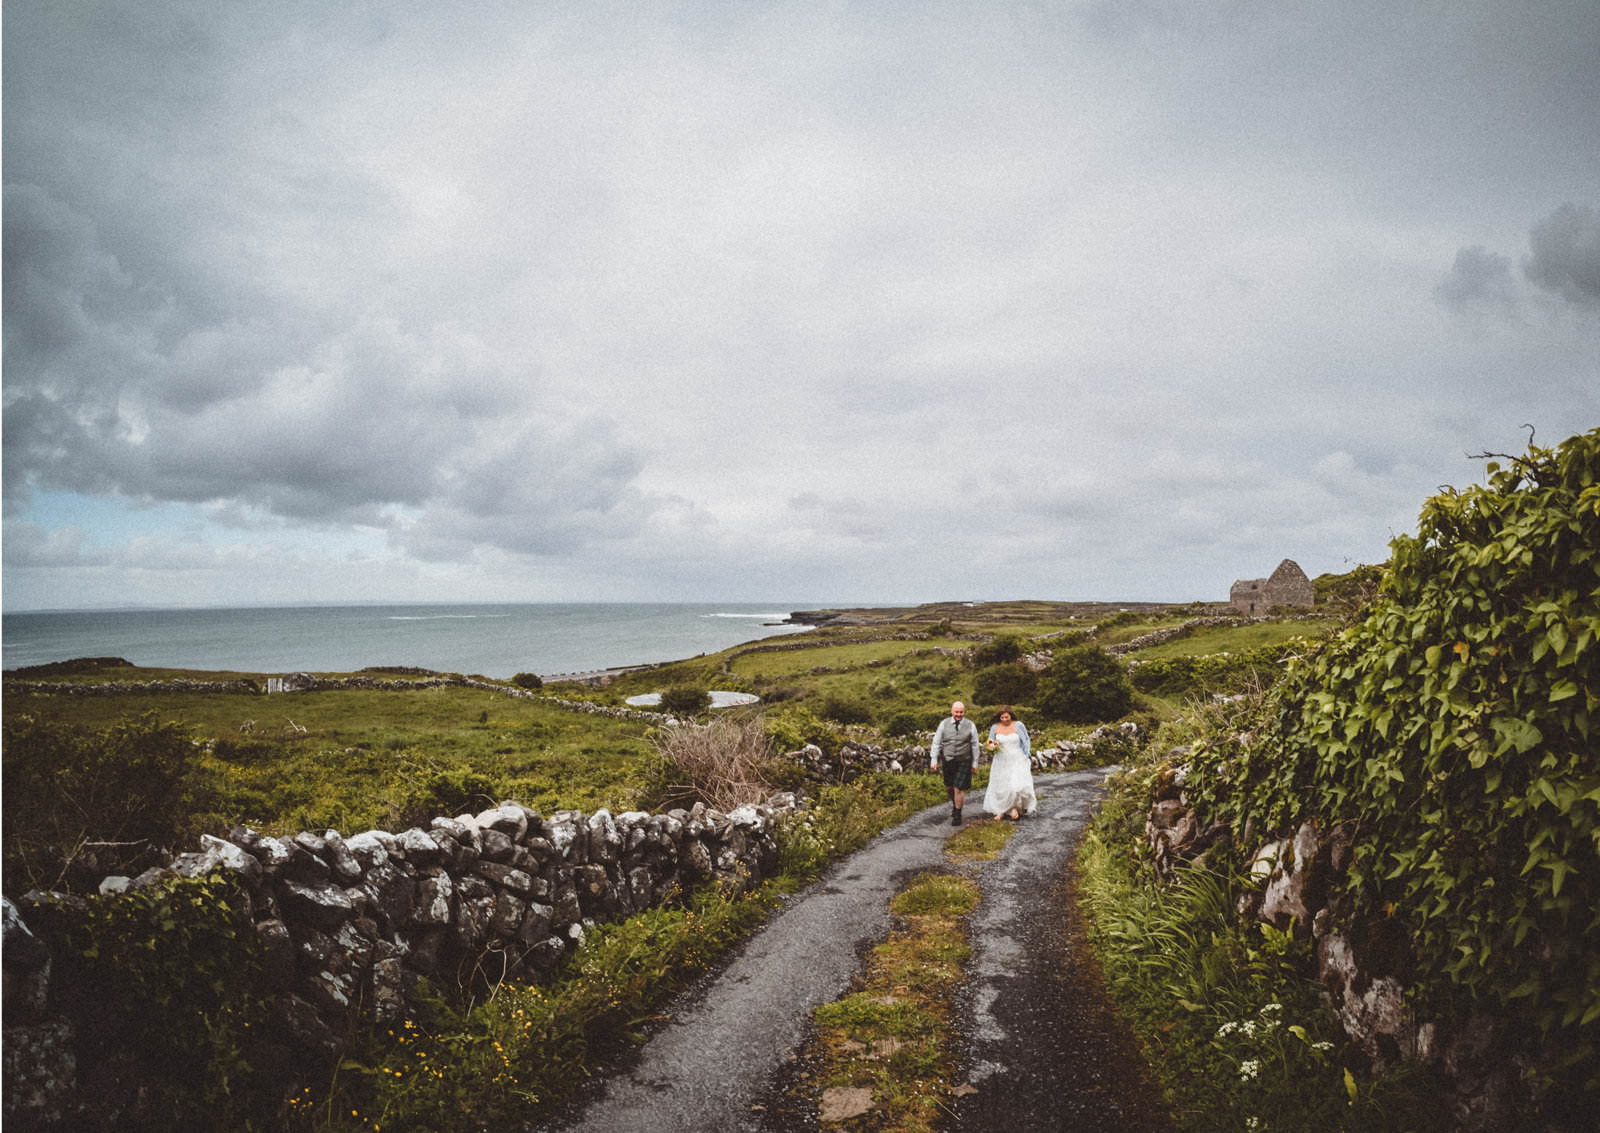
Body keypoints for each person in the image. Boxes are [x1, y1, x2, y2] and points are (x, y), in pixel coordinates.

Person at [929, 701, 981, 826]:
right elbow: (936, 742)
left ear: (964, 712)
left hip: (964, 760)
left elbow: (975, 745)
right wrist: (934, 760)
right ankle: (955, 804)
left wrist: (975, 763)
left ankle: (957, 814)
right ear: (952, 712)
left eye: (961, 712)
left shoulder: (970, 725)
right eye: (956, 712)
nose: (959, 714)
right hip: (948, 759)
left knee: (959, 787)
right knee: (949, 787)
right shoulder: (943, 724)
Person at [983, 706, 1036, 821]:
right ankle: (1001, 810)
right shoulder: (995, 727)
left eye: (1006, 717)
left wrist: (1026, 754)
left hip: (1017, 758)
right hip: (1001, 760)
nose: (1004, 719)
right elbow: (990, 742)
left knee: (1015, 785)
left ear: (1011, 715)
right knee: (1001, 785)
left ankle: (1014, 808)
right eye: (1002, 717)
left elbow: (1026, 740)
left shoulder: (1019, 725)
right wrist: (992, 747)